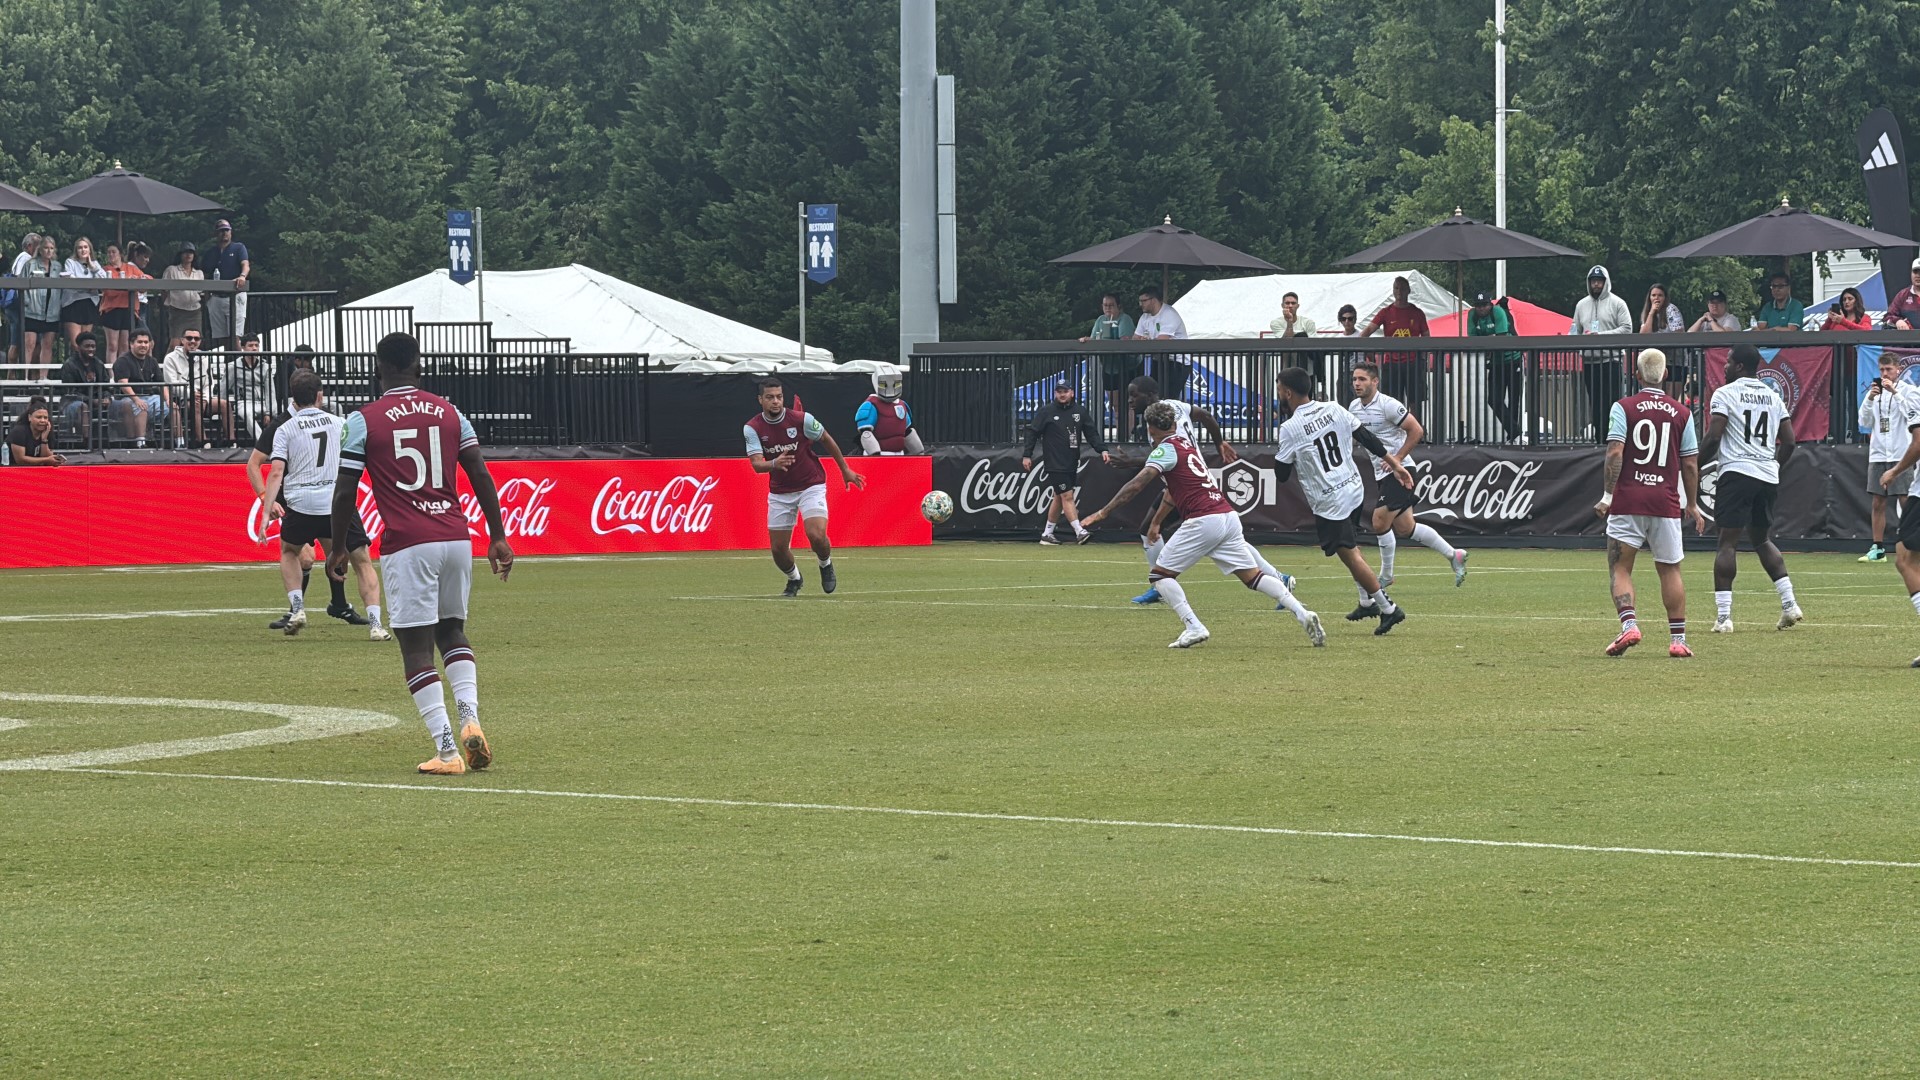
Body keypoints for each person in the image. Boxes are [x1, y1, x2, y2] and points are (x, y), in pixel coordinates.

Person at [331, 331, 513, 775]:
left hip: (409, 544)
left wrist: (338, 546)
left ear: (380, 368)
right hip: (456, 537)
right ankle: (470, 719)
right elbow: (480, 474)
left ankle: (448, 750)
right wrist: (498, 535)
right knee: (453, 633)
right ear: (419, 364)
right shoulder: (451, 412)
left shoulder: (362, 419)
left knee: (415, 650)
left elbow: (344, 490)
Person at [1080, 400, 1323, 648]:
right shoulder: (1187, 444)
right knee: (1253, 577)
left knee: (1160, 576)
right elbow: (1173, 492)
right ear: (1175, 424)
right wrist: (1156, 522)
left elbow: (1136, 484)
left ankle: (1193, 626)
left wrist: (1102, 512)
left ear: (1150, 428)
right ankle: (1302, 613)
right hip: (1227, 516)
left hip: (1204, 519)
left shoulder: (1164, 450)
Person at [1273, 366, 1410, 634]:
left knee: (1349, 554)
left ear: (1287, 392)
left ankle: (1388, 608)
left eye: (1279, 389)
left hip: (1329, 500)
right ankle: (1365, 601)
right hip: (1353, 487)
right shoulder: (1335, 408)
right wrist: (1395, 463)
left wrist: (1286, 455)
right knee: (1351, 549)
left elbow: (1281, 474)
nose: (1279, 393)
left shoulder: (1290, 428)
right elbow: (1366, 437)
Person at [1594, 348, 1706, 657]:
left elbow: (1615, 452)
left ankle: (1629, 625)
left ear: (1637, 375)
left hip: (1628, 500)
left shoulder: (1623, 407)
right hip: (1664, 501)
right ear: (1666, 375)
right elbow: (1690, 464)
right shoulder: (1683, 413)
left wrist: (1606, 496)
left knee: (1620, 567)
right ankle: (1678, 641)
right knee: (1670, 570)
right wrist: (1692, 504)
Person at [261, 371, 387, 640]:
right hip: (336, 503)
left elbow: (275, 473)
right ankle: (376, 625)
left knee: (290, 552)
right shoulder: (342, 423)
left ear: (293, 398)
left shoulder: (285, 429)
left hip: (302, 504)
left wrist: (265, 513)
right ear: (320, 395)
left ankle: (297, 609)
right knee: (362, 560)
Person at [1124, 375, 1266, 605]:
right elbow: (1206, 416)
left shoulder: (1164, 425)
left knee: (1153, 529)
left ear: (1150, 396)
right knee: (1230, 540)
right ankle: (1278, 578)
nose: (1130, 400)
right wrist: (1219, 442)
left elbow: (1170, 457)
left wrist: (1131, 463)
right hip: (1195, 480)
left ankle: (1160, 584)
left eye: (1134, 395)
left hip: (1188, 485)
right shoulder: (1175, 407)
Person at [1346, 359, 1468, 622]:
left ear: (1375, 381)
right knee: (1404, 527)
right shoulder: (1354, 407)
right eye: (1355, 379)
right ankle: (1453, 554)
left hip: (1402, 472)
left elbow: (1417, 430)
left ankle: (1387, 575)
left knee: (1379, 521)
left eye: (1362, 379)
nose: (1357, 383)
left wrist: (1398, 459)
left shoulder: (1389, 405)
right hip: (1383, 475)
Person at [1702, 343, 1801, 632]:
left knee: (1727, 543)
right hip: (1767, 474)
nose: (1724, 366)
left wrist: (1692, 464)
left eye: (1728, 362)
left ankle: (1723, 617)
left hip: (1737, 472)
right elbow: (1790, 441)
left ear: (1740, 366)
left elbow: (1714, 436)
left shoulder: (1725, 394)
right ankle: (1789, 603)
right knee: (1761, 539)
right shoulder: (1773, 396)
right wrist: (1773, 466)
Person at [745, 377, 866, 594]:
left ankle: (825, 564)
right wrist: (774, 463)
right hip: (780, 492)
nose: (776, 402)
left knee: (817, 535)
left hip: (811, 484)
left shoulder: (802, 420)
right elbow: (756, 465)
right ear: (760, 400)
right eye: (770, 397)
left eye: (779, 397)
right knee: (778, 550)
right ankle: (795, 578)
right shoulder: (752, 428)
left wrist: (845, 469)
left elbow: (826, 439)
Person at [1021, 381, 1108, 545]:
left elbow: (1091, 433)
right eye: (1059, 391)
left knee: (1059, 497)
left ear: (1072, 393)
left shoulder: (1079, 411)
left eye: (1065, 391)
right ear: (1055, 393)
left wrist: (1102, 449)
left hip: (1071, 461)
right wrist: (1027, 455)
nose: (1062, 394)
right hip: (1054, 462)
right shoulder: (1046, 411)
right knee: (1067, 496)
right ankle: (1079, 531)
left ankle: (1047, 534)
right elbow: (1032, 432)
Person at [1859, 354, 1916, 563]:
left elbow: (1911, 415)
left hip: (1902, 454)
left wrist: (1895, 392)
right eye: (1882, 370)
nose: (1885, 374)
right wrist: (1870, 398)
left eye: (1889, 370)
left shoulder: (1908, 391)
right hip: (1879, 453)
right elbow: (1864, 421)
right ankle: (1878, 548)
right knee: (1877, 502)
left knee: (1906, 500)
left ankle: (1911, 544)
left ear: (1898, 369)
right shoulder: (1874, 393)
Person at [1568, 265, 1633, 442]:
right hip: (1589, 362)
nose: (1596, 285)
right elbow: (1575, 328)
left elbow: (1627, 329)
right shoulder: (1581, 305)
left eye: (1599, 281)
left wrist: (1601, 336)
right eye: (1593, 281)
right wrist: (1570, 339)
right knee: (1595, 404)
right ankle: (1599, 440)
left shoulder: (1618, 303)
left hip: (1611, 360)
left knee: (1612, 403)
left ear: (1606, 282)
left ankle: (1614, 440)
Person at [1359, 275, 1430, 410]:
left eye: (1402, 288)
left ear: (1408, 290)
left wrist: (1423, 360)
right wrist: (1365, 349)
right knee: (1392, 402)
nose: (1399, 291)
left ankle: (1415, 429)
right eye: (1396, 288)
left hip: (1413, 363)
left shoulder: (1417, 313)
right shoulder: (1386, 312)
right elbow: (1369, 330)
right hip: (1391, 363)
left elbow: (1427, 337)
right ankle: (1394, 430)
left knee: (1414, 402)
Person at [1468, 292, 1523, 441]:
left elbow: (1502, 338)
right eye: (1478, 305)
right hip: (1495, 363)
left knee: (1514, 399)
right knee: (1493, 399)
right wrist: (1490, 339)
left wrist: (1486, 340)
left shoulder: (1497, 311)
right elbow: (1471, 340)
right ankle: (1515, 431)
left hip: (1513, 358)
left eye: (1484, 305)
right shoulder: (1472, 315)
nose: (1481, 309)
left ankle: (1513, 435)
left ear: (1490, 304)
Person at [1081, 293, 1138, 437]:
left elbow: (1125, 341)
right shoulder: (1100, 320)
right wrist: (1087, 341)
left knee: (1128, 405)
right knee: (1116, 407)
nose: (1108, 308)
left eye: (1111, 305)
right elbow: (1094, 339)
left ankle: (1127, 436)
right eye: (1105, 305)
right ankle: (1120, 436)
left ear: (1118, 306)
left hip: (1127, 368)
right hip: (1108, 367)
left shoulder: (1125, 319)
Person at [110, 329, 171, 448]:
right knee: (142, 406)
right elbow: (123, 384)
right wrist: (136, 399)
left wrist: (168, 400)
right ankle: (140, 443)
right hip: (124, 399)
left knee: (171, 407)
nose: (143, 345)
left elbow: (161, 383)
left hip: (149, 397)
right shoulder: (123, 360)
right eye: (140, 342)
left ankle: (180, 442)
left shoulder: (152, 361)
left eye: (146, 342)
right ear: (131, 344)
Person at [1132, 285, 1189, 399]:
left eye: (1144, 301)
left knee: (1169, 399)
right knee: (1153, 396)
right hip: (1159, 360)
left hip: (1177, 362)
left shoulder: (1169, 314)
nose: (1140, 304)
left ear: (1153, 300)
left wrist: (1146, 342)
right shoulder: (1145, 317)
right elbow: (1135, 339)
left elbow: (1162, 341)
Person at [855, 364, 923, 455]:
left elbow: (907, 431)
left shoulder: (902, 405)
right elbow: (866, 434)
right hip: (880, 456)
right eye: (884, 385)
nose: (890, 389)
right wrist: (875, 454)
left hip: (899, 454)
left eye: (896, 384)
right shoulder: (870, 405)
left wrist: (918, 452)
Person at [57, 333, 114, 442]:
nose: (91, 349)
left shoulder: (98, 364)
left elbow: (106, 387)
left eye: (93, 346)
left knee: (121, 404)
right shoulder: (69, 365)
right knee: (83, 407)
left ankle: (119, 443)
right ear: (78, 347)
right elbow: (70, 392)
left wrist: (107, 398)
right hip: (71, 402)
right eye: (87, 346)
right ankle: (87, 443)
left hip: (97, 400)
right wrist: (92, 401)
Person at [203, 219, 250, 349]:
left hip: (235, 295)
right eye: (221, 231)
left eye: (226, 230)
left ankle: (238, 366)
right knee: (222, 337)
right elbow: (206, 274)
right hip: (216, 297)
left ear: (231, 232)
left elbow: (245, 265)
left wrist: (242, 276)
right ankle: (227, 366)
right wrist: (207, 296)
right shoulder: (211, 253)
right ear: (216, 234)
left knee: (235, 335)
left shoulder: (238, 247)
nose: (224, 233)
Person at [20, 236, 61, 382]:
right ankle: (25, 376)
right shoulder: (30, 264)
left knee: (47, 344)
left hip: (52, 311)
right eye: (46, 248)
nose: (48, 251)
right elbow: (22, 285)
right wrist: (26, 303)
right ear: (40, 249)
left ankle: (44, 376)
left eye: (51, 248)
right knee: (29, 344)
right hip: (33, 309)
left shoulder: (58, 266)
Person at [98, 243, 148, 363]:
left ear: (120, 254)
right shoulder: (105, 270)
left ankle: (122, 372)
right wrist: (125, 287)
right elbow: (107, 291)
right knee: (112, 345)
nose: (111, 255)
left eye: (113, 252)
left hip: (128, 310)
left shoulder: (131, 269)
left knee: (125, 345)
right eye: (109, 252)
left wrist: (135, 283)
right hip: (111, 310)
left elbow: (145, 283)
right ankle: (111, 375)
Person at [222, 334, 274, 440]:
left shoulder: (265, 367)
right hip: (243, 402)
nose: (254, 348)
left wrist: (269, 412)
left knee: (277, 413)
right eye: (250, 345)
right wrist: (221, 408)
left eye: (256, 345)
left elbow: (270, 391)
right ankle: (262, 443)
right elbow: (224, 388)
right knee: (247, 413)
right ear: (243, 347)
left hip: (262, 402)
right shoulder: (233, 367)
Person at [59, 236, 105, 355]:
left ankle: (86, 370)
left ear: (90, 249)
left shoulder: (95, 264)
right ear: (76, 250)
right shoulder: (70, 262)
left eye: (85, 247)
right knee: (76, 343)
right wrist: (89, 287)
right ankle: (74, 370)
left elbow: (104, 280)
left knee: (86, 343)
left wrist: (92, 266)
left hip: (89, 304)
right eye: (80, 248)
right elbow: (72, 281)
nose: (83, 250)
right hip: (73, 304)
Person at [161, 244, 206, 351]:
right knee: (174, 344)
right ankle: (168, 366)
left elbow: (201, 292)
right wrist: (168, 304)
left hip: (195, 312)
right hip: (177, 311)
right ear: (180, 255)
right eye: (185, 252)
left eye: (191, 252)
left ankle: (191, 366)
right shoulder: (172, 270)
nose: (188, 255)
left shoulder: (199, 273)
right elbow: (164, 290)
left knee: (194, 342)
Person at [5, 232, 38, 366]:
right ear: (30, 246)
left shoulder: (20, 257)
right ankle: (12, 374)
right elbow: (20, 278)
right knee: (17, 342)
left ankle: (11, 374)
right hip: (18, 304)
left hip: (13, 304)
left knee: (16, 341)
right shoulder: (26, 258)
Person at [6, 398, 63, 466]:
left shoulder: (47, 431)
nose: (42, 420)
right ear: (30, 417)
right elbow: (20, 460)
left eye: (45, 418)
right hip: (13, 471)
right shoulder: (19, 431)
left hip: (36, 471)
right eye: (39, 417)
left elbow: (47, 460)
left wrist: (44, 440)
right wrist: (47, 459)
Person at [1882, 259, 1920, 330]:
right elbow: (1888, 316)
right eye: (1915, 272)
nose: (1918, 276)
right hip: (1910, 339)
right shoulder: (1902, 295)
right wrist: (1897, 321)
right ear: (1911, 273)